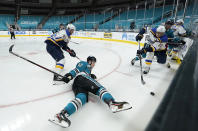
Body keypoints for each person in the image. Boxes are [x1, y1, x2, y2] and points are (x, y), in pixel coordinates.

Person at [49, 56, 132, 128]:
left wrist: (90, 75)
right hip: (82, 78)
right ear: (90, 61)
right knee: (100, 88)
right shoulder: (84, 63)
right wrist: (69, 75)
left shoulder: (88, 70)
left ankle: (62, 114)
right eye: (94, 62)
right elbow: (76, 70)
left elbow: (84, 73)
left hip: (77, 84)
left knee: (82, 98)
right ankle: (112, 103)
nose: (94, 64)